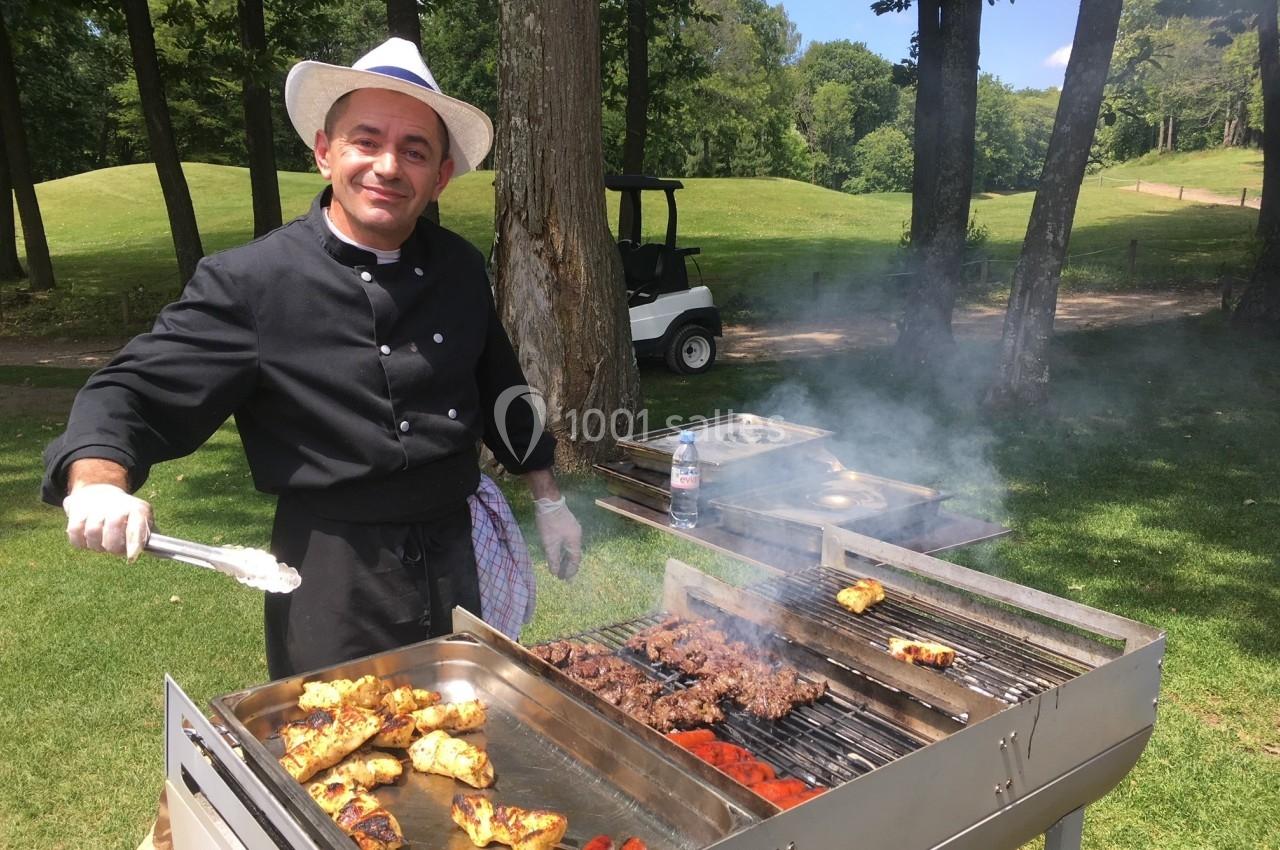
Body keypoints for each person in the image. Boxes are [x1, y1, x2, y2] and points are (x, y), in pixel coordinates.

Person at [41, 38, 582, 678]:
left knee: (462, 729)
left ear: (439, 176)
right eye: (366, 140)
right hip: (333, 572)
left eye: (415, 151)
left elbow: (501, 387)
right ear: (325, 153)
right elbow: (131, 391)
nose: (388, 166)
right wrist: (98, 482)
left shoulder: (460, 266)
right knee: (340, 754)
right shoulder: (252, 281)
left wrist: (549, 499)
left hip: (454, 547)